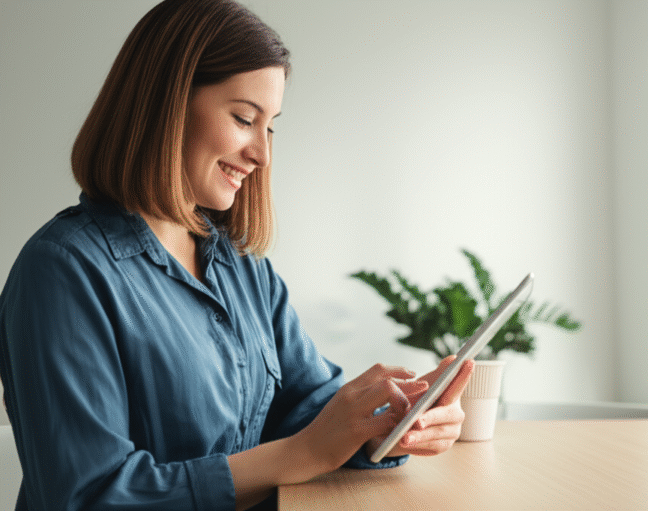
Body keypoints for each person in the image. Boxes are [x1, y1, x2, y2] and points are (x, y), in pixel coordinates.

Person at [0, 0, 473, 510]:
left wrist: (391, 423)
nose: (262, 154)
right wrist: (302, 454)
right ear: (167, 105)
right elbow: (91, 495)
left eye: (270, 127)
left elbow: (308, 407)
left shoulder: (241, 267)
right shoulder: (62, 271)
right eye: (245, 118)